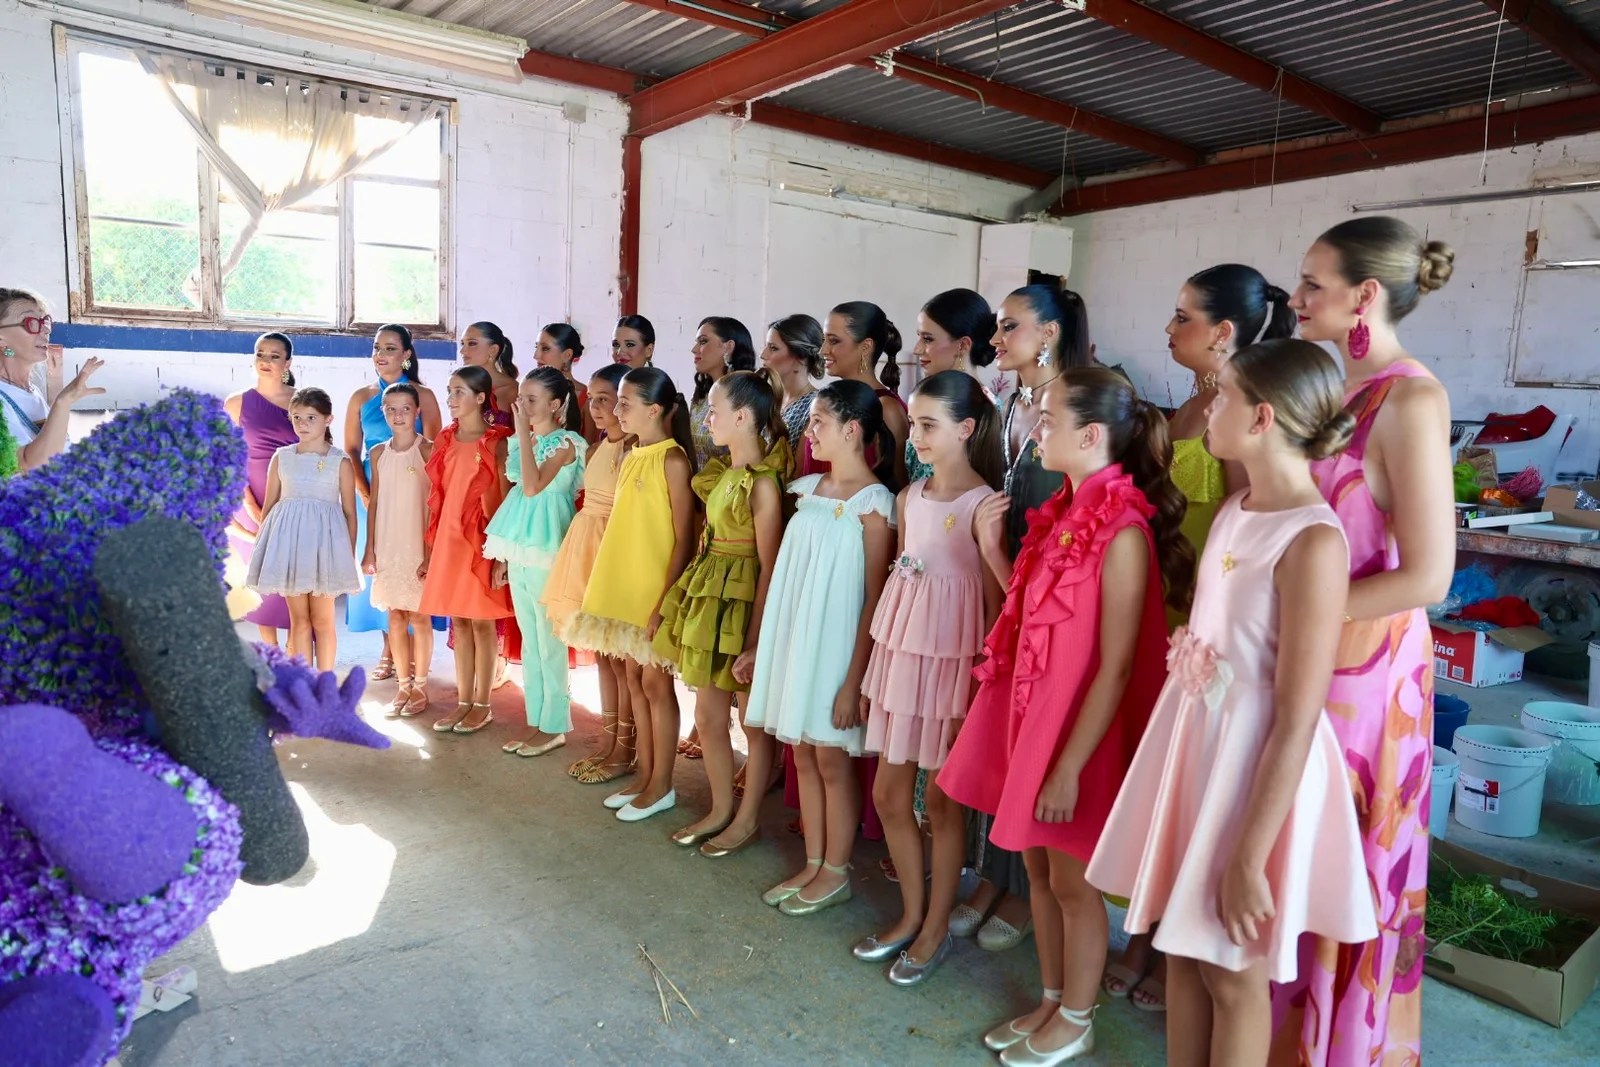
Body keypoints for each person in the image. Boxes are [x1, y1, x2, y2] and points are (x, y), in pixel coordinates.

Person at [1088, 339, 1378, 1067]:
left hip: (1255, 768)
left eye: (1222, 397)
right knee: (1184, 949)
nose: (1207, 409)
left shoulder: (1312, 542)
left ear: (1262, 417)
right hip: (1199, 745)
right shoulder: (1235, 508)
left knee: (1233, 968)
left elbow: (1298, 716)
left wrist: (1251, 854)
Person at [939, 367, 1192, 1065]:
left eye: (1049, 419)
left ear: (1090, 435)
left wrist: (1070, 767)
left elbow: (1117, 667)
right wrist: (994, 552)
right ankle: (1052, 999)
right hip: (1035, 719)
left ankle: (1078, 1018)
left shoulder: (1124, 532)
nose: (1035, 428)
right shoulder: (1062, 513)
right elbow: (1032, 619)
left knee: (1075, 886)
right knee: (1041, 874)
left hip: (1081, 738)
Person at [1271, 217, 1455, 1067]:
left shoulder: (1410, 399)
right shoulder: (1332, 389)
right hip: (1302, 654)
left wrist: (1301, 608)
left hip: (1365, 681)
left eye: (1313, 283)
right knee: (1287, 859)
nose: (1296, 296)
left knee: (1339, 865)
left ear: (1364, 295)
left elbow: (1428, 575)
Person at [953, 282, 1093, 958]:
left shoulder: (1076, 403)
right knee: (998, 737)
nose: (996, 338)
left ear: (1051, 332)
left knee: (1035, 740)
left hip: (1052, 594)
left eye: (1011, 325)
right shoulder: (1010, 402)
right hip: (1005, 584)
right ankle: (993, 872)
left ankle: (1021, 886)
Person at [853, 370, 1004, 986]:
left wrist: (978, 693)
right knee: (890, 795)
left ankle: (937, 926)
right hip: (903, 659)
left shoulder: (984, 505)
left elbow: (994, 608)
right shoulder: (909, 497)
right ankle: (912, 914)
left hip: (954, 670)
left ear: (966, 429)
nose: (915, 435)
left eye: (928, 425)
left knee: (941, 804)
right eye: (913, 423)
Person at [743, 380, 896, 916]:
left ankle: (837, 870)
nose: (810, 432)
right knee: (802, 754)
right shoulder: (808, 491)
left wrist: (855, 679)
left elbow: (874, 596)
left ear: (852, 430)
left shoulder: (874, 505)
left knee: (831, 760)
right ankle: (813, 861)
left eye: (818, 422)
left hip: (835, 650)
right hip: (799, 643)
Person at [653, 371, 791, 848]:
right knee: (710, 717)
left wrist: (754, 640)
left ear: (743, 416)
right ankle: (720, 809)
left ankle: (748, 818)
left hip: (746, 605)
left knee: (752, 724)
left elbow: (769, 568)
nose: (707, 419)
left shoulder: (763, 486)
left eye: (714, 411)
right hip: (712, 599)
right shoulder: (722, 475)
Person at [564, 367, 697, 823]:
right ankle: (645, 775)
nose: (616, 410)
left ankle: (663, 784)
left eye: (625, 403)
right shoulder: (633, 453)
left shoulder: (673, 459)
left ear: (654, 409)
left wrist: (664, 601)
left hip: (653, 588)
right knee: (636, 681)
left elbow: (683, 536)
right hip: (625, 582)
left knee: (657, 684)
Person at [484, 367, 587, 757]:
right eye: (520, 399)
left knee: (549, 640)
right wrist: (504, 556)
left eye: (531, 399)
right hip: (523, 546)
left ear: (556, 404)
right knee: (530, 639)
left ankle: (555, 725)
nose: (521, 406)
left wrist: (522, 436)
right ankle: (538, 720)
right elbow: (517, 489)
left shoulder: (566, 443)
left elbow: (532, 486)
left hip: (549, 546)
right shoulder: (526, 440)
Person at [544, 362, 637, 784]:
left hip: (613, 552)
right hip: (586, 550)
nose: (596, 407)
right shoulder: (596, 448)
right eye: (593, 399)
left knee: (620, 657)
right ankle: (609, 739)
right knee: (601, 653)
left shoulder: (633, 451)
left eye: (606, 399)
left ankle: (627, 749)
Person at [418, 366, 515, 735]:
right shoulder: (445, 439)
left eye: (459, 391)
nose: (451, 399)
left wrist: (501, 554)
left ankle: (483, 705)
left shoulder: (497, 442)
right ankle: (463, 701)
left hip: (481, 542)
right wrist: (429, 551)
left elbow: (504, 501)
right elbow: (437, 498)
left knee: (482, 622)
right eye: (449, 391)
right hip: (448, 539)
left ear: (480, 397)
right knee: (458, 620)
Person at [344, 324, 445, 680]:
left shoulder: (423, 395)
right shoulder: (361, 396)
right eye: (376, 347)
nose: (381, 354)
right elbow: (351, 449)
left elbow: (435, 451)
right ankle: (388, 649)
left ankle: (415, 652)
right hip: (373, 491)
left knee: (414, 570)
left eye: (390, 348)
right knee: (382, 572)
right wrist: (364, 491)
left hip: (413, 492)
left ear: (406, 355)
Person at [246, 387, 362, 671]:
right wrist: (264, 549)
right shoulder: (282, 457)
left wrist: (346, 555)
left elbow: (349, 513)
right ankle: (304, 679)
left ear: (328, 419)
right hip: (290, 547)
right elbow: (270, 506)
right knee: (299, 620)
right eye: (297, 417)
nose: (303, 424)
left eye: (311, 418)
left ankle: (325, 681)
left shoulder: (339, 462)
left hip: (325, 548)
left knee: (323, 620)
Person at [362, 382, 435, 719]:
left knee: (419, 616)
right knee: (395, 615)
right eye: (390, 409)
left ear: (416, 412)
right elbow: (375, 503)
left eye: (405, 408)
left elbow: (434, 503)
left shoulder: (428, 450)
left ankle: (420, 685)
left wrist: (430, 551)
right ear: (383, 413)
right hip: (388, 542)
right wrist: (370, 549)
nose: (398, 415)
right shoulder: (378, 453)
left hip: (417, 541)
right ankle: (403, 685)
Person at [224, 332, 300, 646]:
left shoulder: (303, 400)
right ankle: (271, 652)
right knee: (261, 584)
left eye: (274, 356)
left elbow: (317, 450)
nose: (266, 361)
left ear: (288, 363)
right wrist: (250, 503)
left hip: (294, 498)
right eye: (260, 354)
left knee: (294, 579)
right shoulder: (236, 403)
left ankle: (296, 652)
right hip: (251, 497)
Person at [0, 287, 105, 471]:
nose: (45, 331)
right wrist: (63, 402)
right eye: (31, 323)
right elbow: (28, 465)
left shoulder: (30, 390)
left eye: (44, 321)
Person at [905, 288, 999, 481]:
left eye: (927, 339)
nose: (917, 349)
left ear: (963, 345)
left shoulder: (985, 407)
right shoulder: (927, 396)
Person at [823, 301, 908, 487]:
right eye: (824, 340)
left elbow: (898, 486)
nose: (823, 350)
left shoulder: (887, 409)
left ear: (865, 346)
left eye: (833, 341)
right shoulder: (824, 402)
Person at [688, 316, 757, 472]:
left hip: (732, 483)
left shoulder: (746, 396)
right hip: (698, 483)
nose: (694, 349)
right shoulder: (702, 394)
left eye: (703, 341)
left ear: (728, 347)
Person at [762, 314, 824, 463]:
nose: (763, 355)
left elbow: (802, 471)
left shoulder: (816, 406)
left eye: (773, 348)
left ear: (800, 358)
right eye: (766, 346)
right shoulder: (766, 398)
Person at [535, 323, 599, 442]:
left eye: (545, 349)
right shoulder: (531, 393)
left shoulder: (587, 397)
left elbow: (590, 446)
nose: (536, 356)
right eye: (536, 347)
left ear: (567, 355)